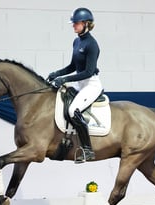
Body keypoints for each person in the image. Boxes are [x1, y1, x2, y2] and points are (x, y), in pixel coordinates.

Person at [48, 7, 103, 163]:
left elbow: (88, 72)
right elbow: (73, 66)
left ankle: (87, 149)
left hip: (90, 84)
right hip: (80, 83)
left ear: (86, 23)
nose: (73, 26)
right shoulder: (77, 41)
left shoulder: (92, 44)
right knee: (59, 96)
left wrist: (65, 80)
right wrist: (57, 74)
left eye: (76, 23)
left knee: (73, 110)